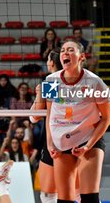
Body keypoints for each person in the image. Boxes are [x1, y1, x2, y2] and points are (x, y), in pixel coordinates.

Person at [45, 40, 110, 203]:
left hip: (88, 140)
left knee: (89, 198)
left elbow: (107, 118)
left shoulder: (94, 82)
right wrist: (50, 143)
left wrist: (88, 145)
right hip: (62, 142)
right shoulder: (51, 81)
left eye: (70, 50)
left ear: (81, 56)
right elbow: (49, 115)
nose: (65, 53)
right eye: (62, 51)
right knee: (64, 200)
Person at [30, 49, 64, 202]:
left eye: (48, 60)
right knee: (80, 191)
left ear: (51, 63)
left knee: (49, 194)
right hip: (77, 137)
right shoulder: (76, 79)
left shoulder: (51, 81)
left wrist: (38, 93)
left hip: (55, 139)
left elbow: (34, 117)